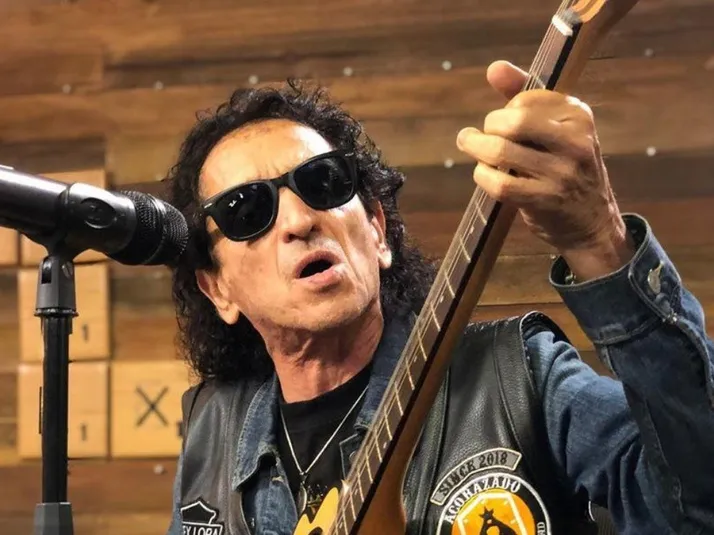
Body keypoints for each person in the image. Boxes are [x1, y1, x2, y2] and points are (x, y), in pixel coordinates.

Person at [164, 60, 714, 535]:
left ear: (377, 231)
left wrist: (599, 240)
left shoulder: (519, 378)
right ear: (218, 289)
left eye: (322, 182)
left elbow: (694, 505)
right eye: (247, 211)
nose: (299, 220)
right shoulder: (213, 429)